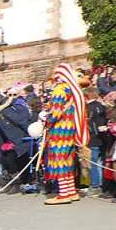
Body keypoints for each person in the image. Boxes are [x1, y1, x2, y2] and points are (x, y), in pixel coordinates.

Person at [43, 63, 89, 206]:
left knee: (59, 160)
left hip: (59, 131)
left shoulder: (59, 90)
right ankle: (70, 191)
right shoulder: (73, 90)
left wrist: (47, 121)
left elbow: (56, 112)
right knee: (68, 160)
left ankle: (63, 194)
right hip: (70, 129)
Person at [0, 87, 35, 192]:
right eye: (9, 95)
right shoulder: (1, 109)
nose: (12, 98)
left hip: (19, 138)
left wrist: (30, 131)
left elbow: (22, 120)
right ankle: (14, 182)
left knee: (19, 160)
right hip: (6, 139)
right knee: (7, 161)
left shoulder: (19, 105)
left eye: (14, 95)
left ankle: (21, 182)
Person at [84, 87, 108, 197]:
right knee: (99, 162)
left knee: (93, 163)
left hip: (93, 138)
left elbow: (93, 124)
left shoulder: (88, 108)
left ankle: (95, 185)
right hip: (101, 138)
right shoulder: (101, 106)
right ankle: (101, 185)